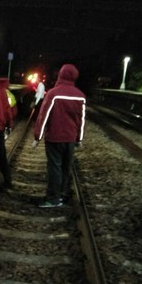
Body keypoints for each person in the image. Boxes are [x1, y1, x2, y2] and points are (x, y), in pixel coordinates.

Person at [33, 63, 86, 208]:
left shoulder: (53, 94)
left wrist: (38, 136)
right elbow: (81, 120)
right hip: (70, 139)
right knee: (65, 167)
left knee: (54, 167)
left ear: (60, 75)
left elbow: (44, 116)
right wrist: (79, 138)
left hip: (55, 138)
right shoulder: (80, 96)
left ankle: (53, 199)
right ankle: (61, 194)